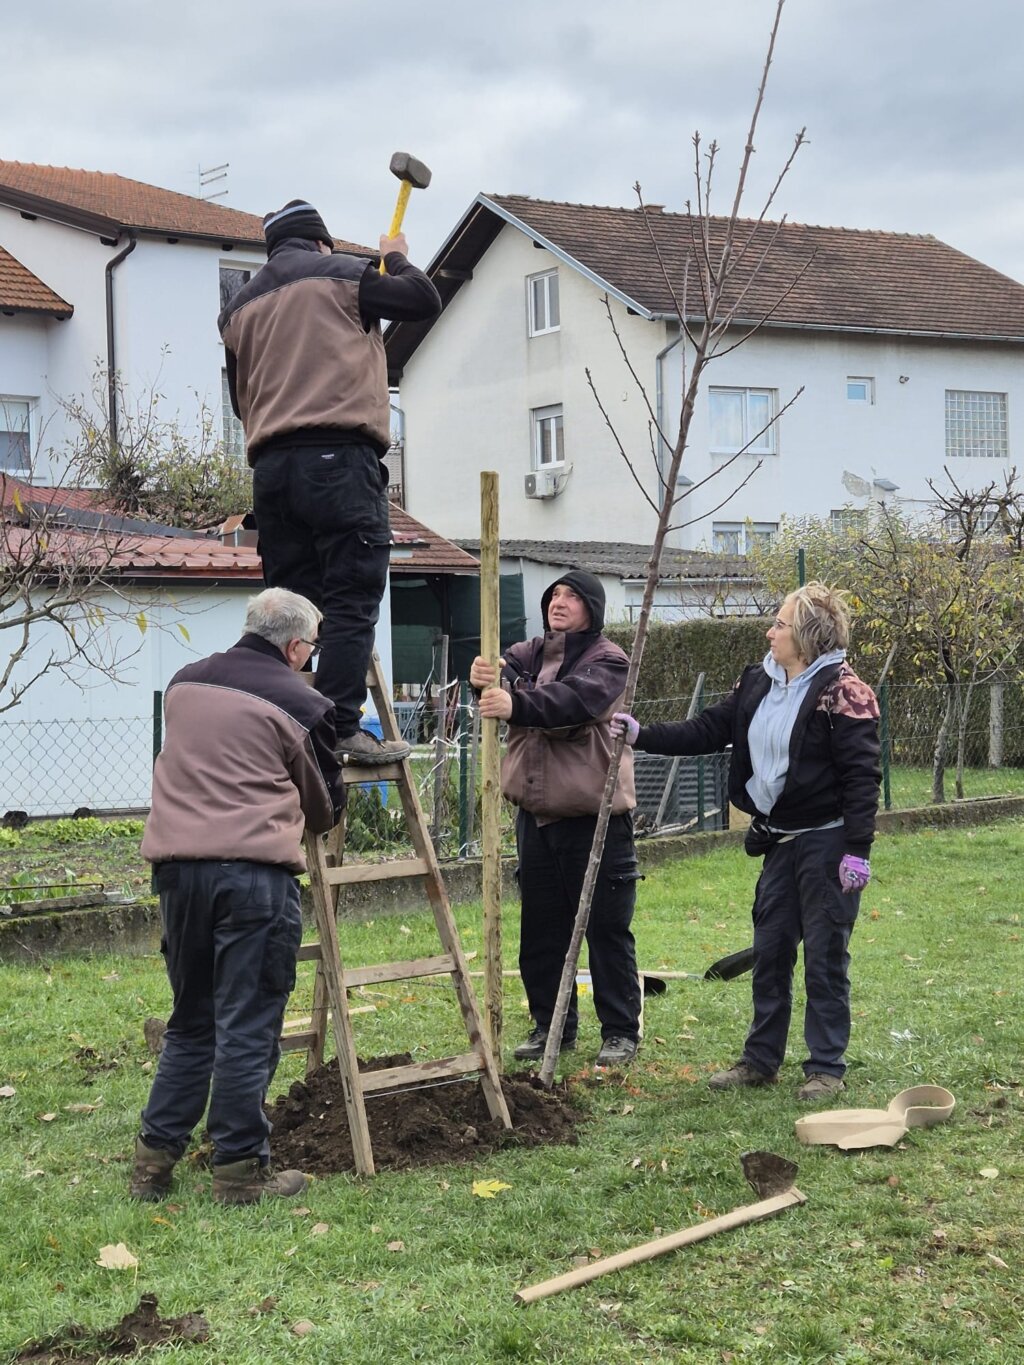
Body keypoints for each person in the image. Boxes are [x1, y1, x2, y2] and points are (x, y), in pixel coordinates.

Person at [612, 581, 880, 1101]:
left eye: (779, 623)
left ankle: (825, 1067)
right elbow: (709, 729)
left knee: (826, 957)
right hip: (779, 841)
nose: (769, 630)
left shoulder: (845, 692)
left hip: (827, 843)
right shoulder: (759, 680)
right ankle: (760, 1061)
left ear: (806, 635)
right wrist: (643, 734)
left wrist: (857, 850)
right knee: (771, 949)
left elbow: (862, 778)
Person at [130, 587, 345, 1205]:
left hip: (177, 873)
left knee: (192, 1022)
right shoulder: (300, 700)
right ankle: (239, 1171)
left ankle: (153, 1164)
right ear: (298, 646)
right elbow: (323, 808)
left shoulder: (183, 684)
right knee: (248, 1025)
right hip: (253, 876)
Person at [218, 198, 442, 766]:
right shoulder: (343, 275)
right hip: (339, 459)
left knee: (291, 608)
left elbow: (239, 400)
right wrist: (395, 259)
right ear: (321, 241)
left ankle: (282, 721)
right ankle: (340, 726)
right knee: (350, 599)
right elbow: (422, 301)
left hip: (271, 471)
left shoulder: (238, 308)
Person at [470, 571, 643, 1068]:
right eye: (554, 596)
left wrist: (514, 701)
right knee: (542, 928)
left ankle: (619, 1032)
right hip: (536, 814)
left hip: (594, 817)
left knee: (606, 927)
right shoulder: (531, 652)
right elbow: (499, 673)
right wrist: (484, 673)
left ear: (592, 607)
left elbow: (572, 702)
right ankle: (551, 1024)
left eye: (571, 596)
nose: (559, 603)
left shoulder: (607, 660)